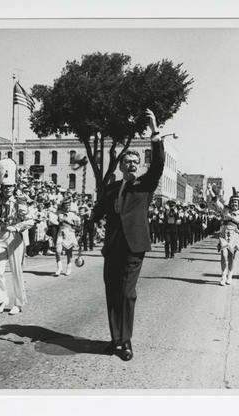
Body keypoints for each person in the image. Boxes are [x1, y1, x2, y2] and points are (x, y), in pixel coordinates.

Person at [93, 109, 164, 361]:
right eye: (127, 162)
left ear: (139, 165)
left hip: (134, 247)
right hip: (113, 246)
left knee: (126, 293)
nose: (131, 165)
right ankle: (115, 339)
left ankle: (126, 341)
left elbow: (158, 164)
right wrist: (89, 224)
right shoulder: (111, 188)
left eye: (135, 162)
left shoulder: (145, 185)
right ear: (121, 166)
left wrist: (154, 129)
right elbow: (98, 210)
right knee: (111, 291)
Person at [0, 158, 34, 315]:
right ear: (1, 187)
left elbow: (30, 221)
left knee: (16, 271)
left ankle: (18, 303)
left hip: (15, 238)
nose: (7, 189)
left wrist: (16, 227)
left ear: (14, 186)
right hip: (1, 236)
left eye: (10, 186)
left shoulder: (20, 201)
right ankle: (2, 299)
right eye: (5, 186)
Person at [210, 188, 239, 286]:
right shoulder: (225, 210)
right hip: (224, 234)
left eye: (236, 203)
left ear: (238, 204)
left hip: (234, 236)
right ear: (230, 203)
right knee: (223, 255)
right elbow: (216, 201)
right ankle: (223, 276)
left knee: (231, 257)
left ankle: (230, 275)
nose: (234, 204)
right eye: (232, 202)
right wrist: (210, 190)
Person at [54, 198, 81, 276]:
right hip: (61, 233)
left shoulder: (72, 214)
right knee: (57, 250)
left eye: (69, 205)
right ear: (63, 205)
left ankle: (69, 268)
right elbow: (55, 218)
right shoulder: (58, 213)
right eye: (66, 205)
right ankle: (59, 268)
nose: (67, 207)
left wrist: (76, 226)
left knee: (69, 252)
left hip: (69, 233)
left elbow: (78, 221)